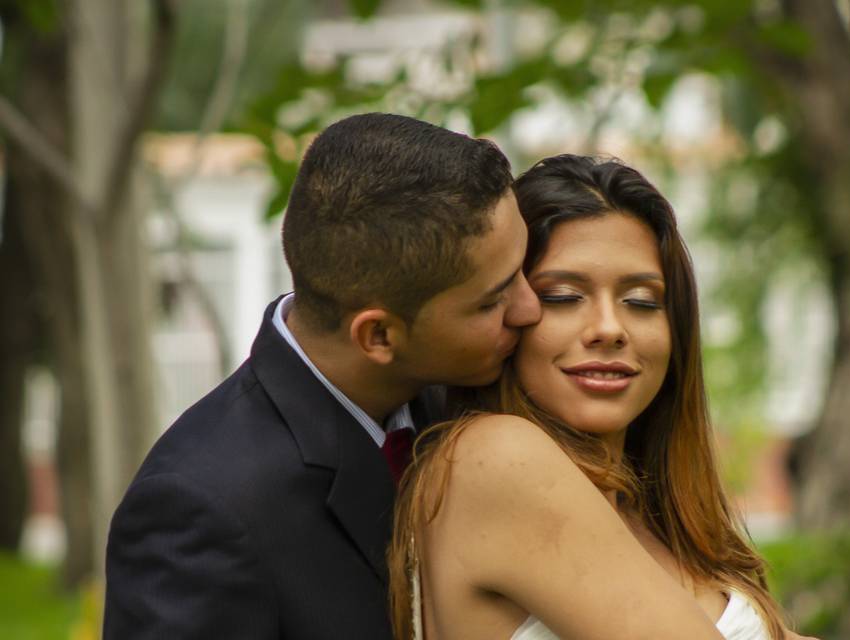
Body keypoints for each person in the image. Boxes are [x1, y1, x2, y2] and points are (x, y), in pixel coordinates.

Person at [103, 113, 541, 639]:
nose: (530, 308)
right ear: (377, 336)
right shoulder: (200, 509)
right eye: (494, 299)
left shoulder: (485, 395)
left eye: (523, 269)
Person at [389, 155, 812, 640]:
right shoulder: (494, 458)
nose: (609, 329)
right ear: (508, 313)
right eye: (563, 297)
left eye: (641, 302)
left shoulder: (660, 518)